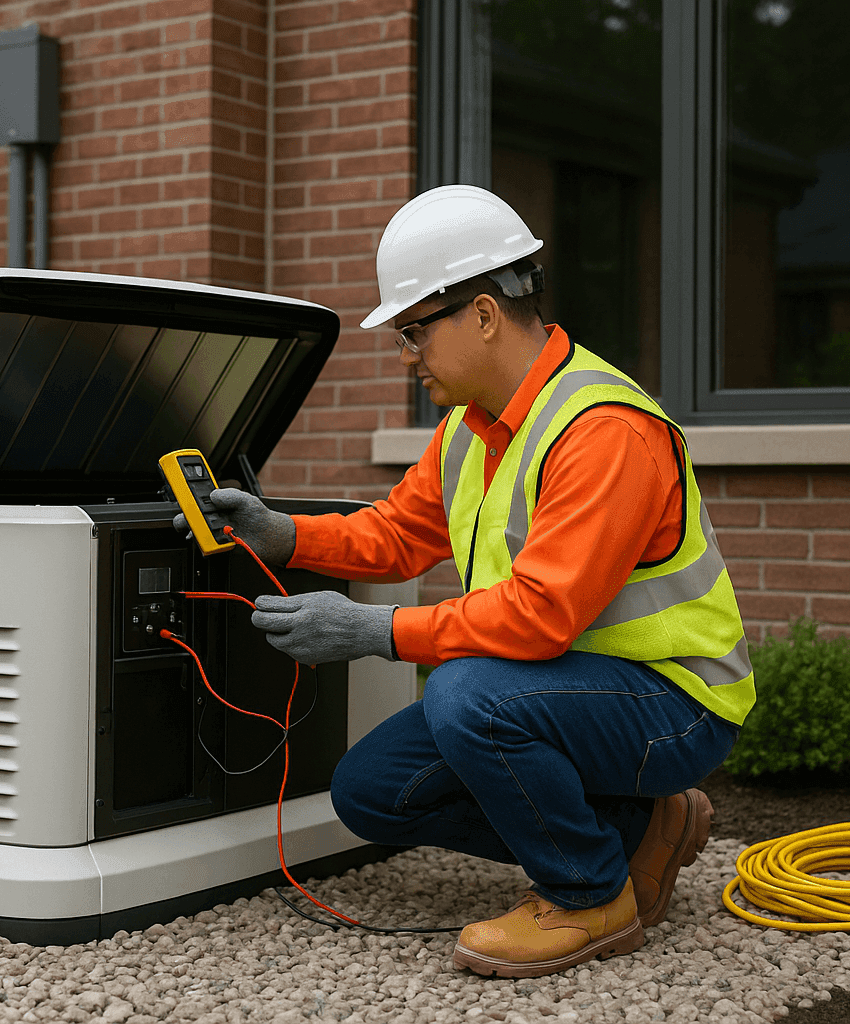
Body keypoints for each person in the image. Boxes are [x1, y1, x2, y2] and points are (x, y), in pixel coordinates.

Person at [188, 185, 753, 979]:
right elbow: (396, 533)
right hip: (555, 689)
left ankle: (588, 894)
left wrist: (372, 632)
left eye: (414, 331)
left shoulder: (604, 431)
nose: (406, 356)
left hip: (673, 702)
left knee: (466, 696)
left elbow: (541, 616)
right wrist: (282, 534)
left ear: (483, 314)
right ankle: (640, 832)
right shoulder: (468, 428)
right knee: (371, 791)